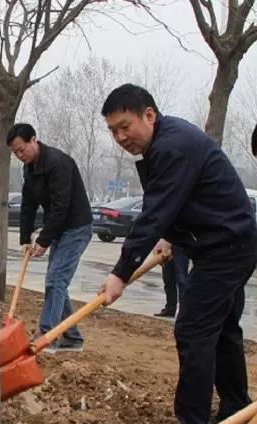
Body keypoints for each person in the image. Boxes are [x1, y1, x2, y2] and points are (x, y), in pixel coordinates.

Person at [99, 84, 257, 424]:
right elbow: (182, 200)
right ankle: (236, 408)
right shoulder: (166, 142)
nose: (120, 137)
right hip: (231, 242)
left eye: (125, 126)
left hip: (226, 248)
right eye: (113, 131)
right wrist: (172, 238)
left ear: (149, 115)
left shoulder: (173, 146)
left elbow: (154, 212)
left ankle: (192, 418)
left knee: (193, 330)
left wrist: (121, 272)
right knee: (223, 328)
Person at [7, 123, 93, 353]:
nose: (19, 155)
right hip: (59, 228)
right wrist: (25, 237)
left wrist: (44, 240)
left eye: (21, 149)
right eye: (15, 153)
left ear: (34, 140)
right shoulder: (29, 169)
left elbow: (60, 207)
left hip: (76, 227)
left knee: (56, 280)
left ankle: (47, 335)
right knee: (56, 282)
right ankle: (72, 338)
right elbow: (28, 204)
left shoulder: (57, 163)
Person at [154, 242, 188, 318]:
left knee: (181, 280)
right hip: (167, 245)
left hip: (180, 246)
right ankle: (170, 309)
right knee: (168, 279)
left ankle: (184, 310)